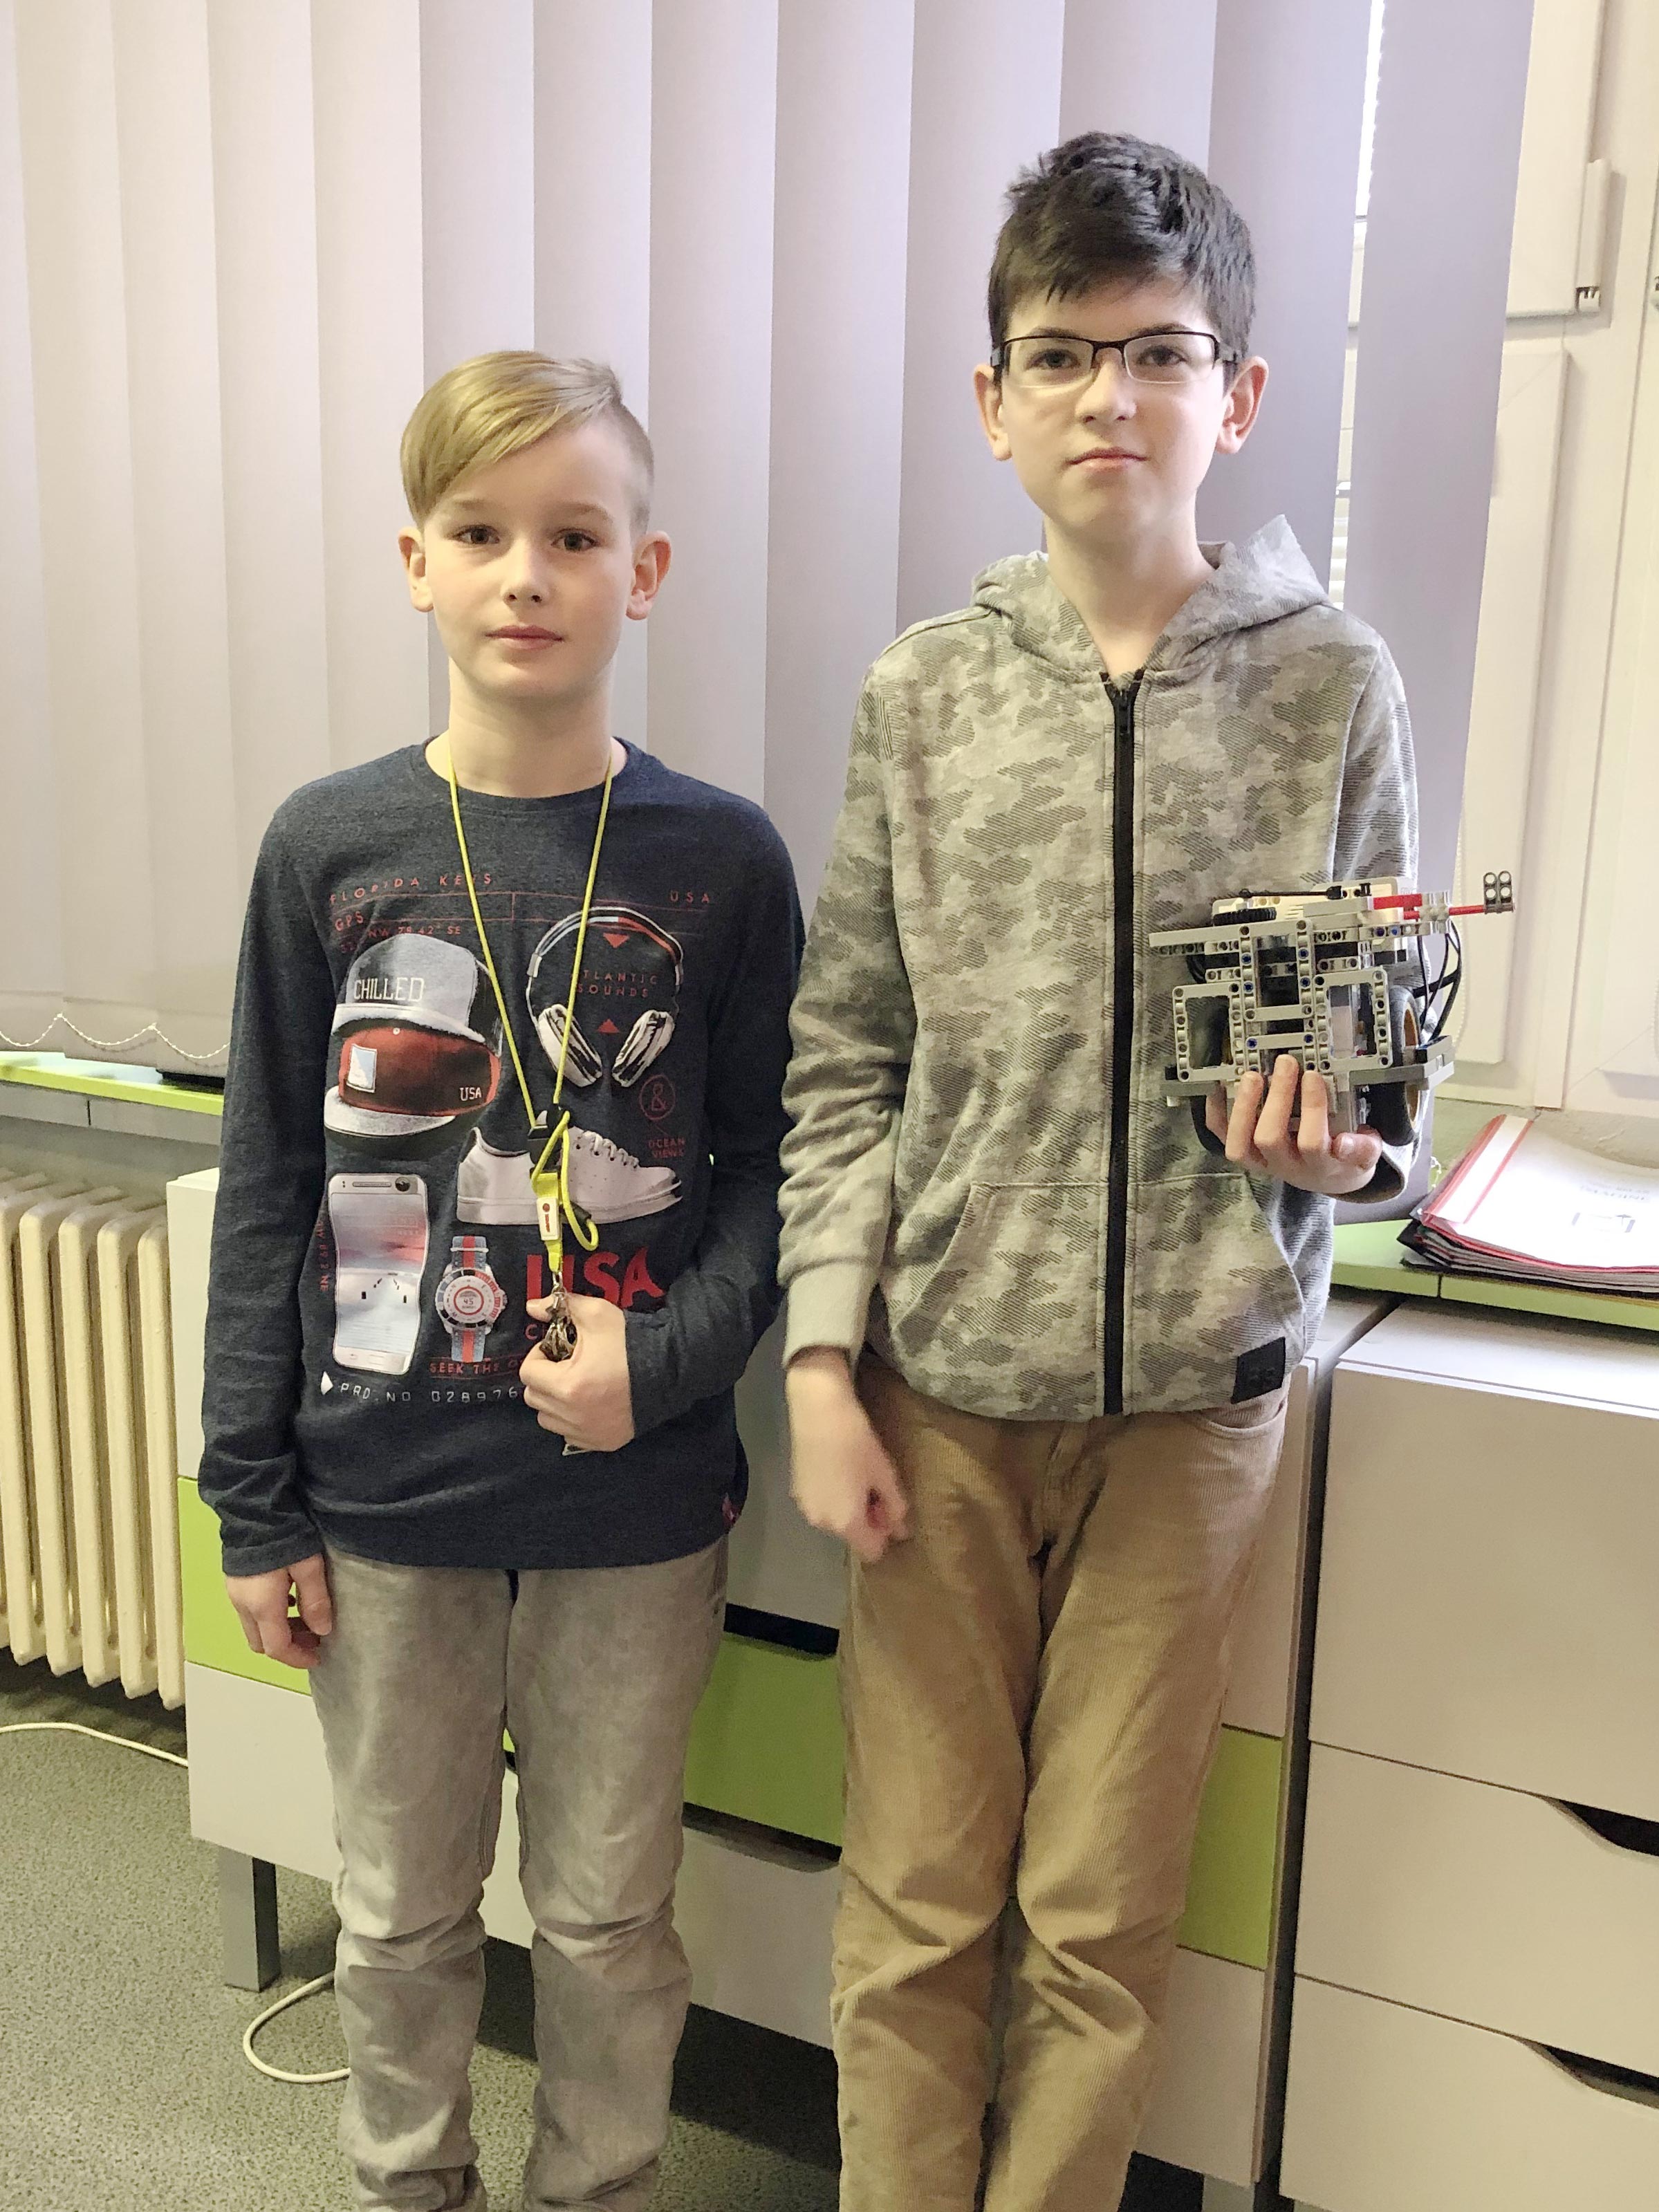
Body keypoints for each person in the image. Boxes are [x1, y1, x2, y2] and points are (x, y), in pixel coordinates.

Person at [778, 133, 1418, 2212]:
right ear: (994, 401)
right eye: (1059, 355)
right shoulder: (923, 695)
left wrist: (1350, 1140)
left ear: (1238, 392)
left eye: (1158, 352)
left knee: (1096, 1920)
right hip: (940, 1398)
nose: (1107, 397)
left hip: (1192, 1418)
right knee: (916, 1904)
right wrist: (820, 1362)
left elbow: (1383, 1059)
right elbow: (847, 1051)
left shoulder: (1334, 686)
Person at [198, 350, 802, 2212]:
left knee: (609, 1917)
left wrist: (666, 1362)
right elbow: (270, 1187)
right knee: (397, 1916)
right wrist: (250, 1501)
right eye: (480, 533)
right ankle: (409, 2190)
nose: (526, 574)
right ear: (417, 563)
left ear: (646, 570)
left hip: (635, 1501)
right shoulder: (328, 846)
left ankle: (595, 2192)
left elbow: (778, 1172)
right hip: (386, 1496)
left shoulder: (722, 860)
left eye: (575, 535)